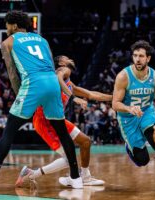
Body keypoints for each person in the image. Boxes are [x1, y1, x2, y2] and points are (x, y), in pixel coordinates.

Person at [0, 10, 82, 191]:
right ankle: (76, 178)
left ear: (12, 25)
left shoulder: (8, 42)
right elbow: (50, 65)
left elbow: (12, 74)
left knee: (9, 132)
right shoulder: (42, 40)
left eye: (6, 25)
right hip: (52, 82)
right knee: (62, 133)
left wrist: (21, 96)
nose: (6, 29)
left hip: (33, 84)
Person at [15, 55, 112, 187]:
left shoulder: (69, 83)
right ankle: (30, 174)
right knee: (69, 159)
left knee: (85, 141)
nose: (70, 59)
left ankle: (85, 176)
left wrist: (114, 97)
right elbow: (58, 77)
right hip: (44, 121)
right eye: (67, 58)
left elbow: (90, 94)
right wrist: (73, 98)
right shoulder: (62, 71)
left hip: (57, 120)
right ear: (61, 63)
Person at [112, 40, 155, 191]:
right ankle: (131, 148)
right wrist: (129, 108)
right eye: (135, 55)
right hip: (127, 118)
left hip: (146, 113)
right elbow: (115, 104)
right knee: (143, 160)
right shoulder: (123, 76)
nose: (138, 59)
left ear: (148, 58)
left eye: (141, 56)